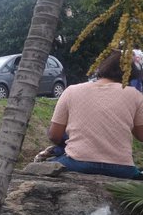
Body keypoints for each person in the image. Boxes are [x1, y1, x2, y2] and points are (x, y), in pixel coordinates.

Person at [48, 50, 143, 179]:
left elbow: (54, 135)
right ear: (131, 75)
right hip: (122, 168)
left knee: (47, 164)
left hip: (77, 163)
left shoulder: (71, 91)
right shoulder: (135, 95)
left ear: (102, 68)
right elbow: (141, 135)